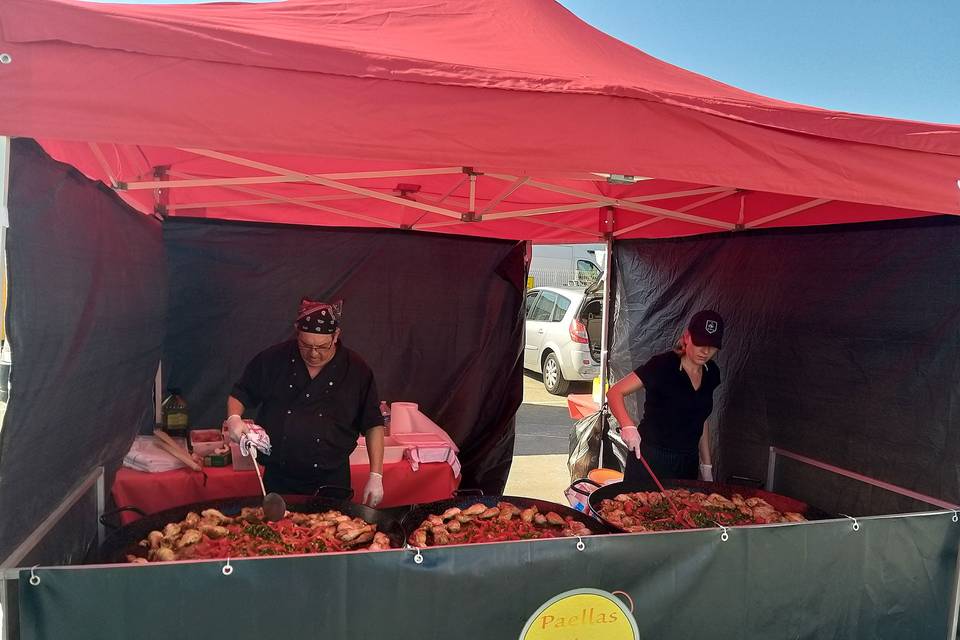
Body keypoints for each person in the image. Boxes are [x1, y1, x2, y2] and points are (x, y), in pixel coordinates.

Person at [224, 298, 386, 506]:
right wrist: (234, 418)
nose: (314, 354)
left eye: (322, 346)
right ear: (296, 332)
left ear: (336, 336)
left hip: (332, 480)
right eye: (306, 345)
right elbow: (241, 392)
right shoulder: (273, 359)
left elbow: (373, 423)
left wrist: (376, 475)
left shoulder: (356, 370)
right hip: (279, 478)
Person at [606, 310, 723, 487]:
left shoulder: (712, 373)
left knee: (681, 511)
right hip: (651, 458)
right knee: (639, 511)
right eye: (700, 343)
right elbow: (615, 392)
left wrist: (706, 465)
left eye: (712, 346)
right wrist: (627, 425)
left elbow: (701, 420)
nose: (705, 351)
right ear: (687, 337)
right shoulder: (662, 365)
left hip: (687, 462)